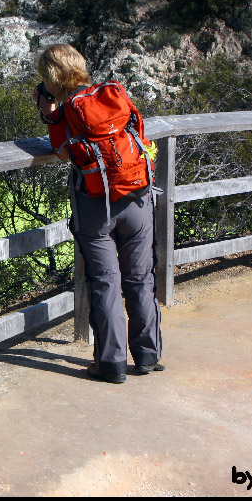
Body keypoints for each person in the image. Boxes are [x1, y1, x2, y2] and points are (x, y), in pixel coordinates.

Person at [32, 44, 164, 384]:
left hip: (96, 206)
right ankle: (147, 355)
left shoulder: (70, 111)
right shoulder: (109, 94)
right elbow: (139, 131)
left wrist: (50, 115)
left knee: (106, 282)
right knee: (140, 277)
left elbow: (63, 154)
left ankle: (111, 364)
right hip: (137, 197)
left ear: (51, 78)